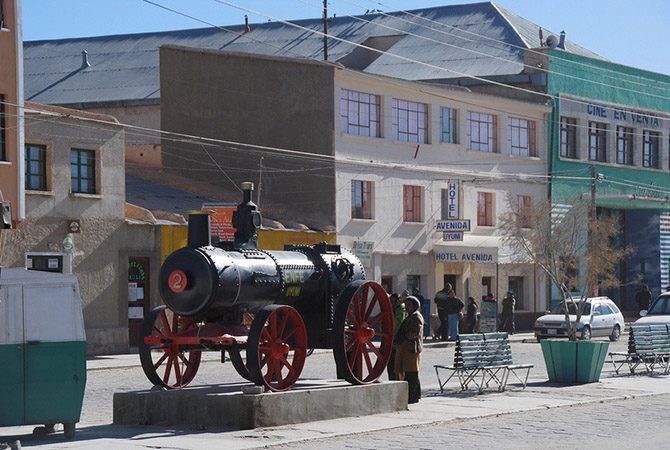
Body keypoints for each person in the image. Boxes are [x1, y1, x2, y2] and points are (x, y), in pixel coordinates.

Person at [394, 295, 424, 404]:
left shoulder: (416, 316)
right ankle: (415, 395)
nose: (406, 307)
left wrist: (405, 337)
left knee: (412, 374)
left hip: (412, 348)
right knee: (410, 373)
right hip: (407, 348)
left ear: (414, 306)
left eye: (409, 305)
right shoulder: (410, 316)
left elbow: (415, 332)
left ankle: (413, 396)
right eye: (406, 305)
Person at [387, 293, 407, 381]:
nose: (392, 304)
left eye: (394, 302)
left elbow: (397, 324)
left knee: (397, 365)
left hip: (398, 340)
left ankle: (398, 382)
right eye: (390, 302)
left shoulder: (402, 310)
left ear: (399, 301)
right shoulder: (393, 309)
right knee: (390, 365)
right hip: (392, 340)